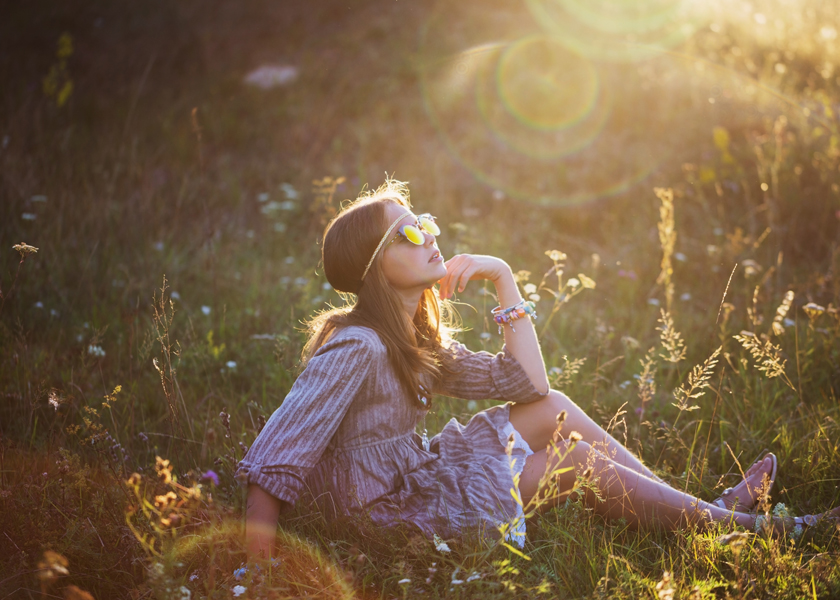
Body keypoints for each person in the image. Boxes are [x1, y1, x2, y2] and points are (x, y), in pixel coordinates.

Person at [236, 178, 838, 561]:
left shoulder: (412, 338)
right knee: (575, 463)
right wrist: (254, 572)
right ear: (375, 266)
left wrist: (504, 275)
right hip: (382, 514)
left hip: (410, 478)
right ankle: (761, 531)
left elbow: (529, 387)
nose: (431, 235)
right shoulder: (360, 347)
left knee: (553, 410)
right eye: (410, 231)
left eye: (427, 221)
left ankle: (698, 510)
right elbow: (275, 454)